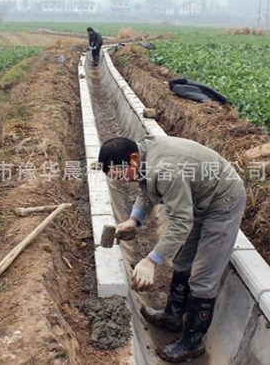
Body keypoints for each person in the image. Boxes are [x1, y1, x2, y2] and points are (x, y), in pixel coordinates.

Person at [98, 135, 246, 363]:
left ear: (133, 158)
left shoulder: (165, 168)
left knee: (203, 278)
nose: (122, 182)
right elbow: (145, 188)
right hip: (199, 198)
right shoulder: (143, 156)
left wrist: (151, 261)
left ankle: (192, 342)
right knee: (183, 260)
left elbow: (180, 223)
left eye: (121, 175)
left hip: (222, 203)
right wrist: (133, 220)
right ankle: (174, 315)